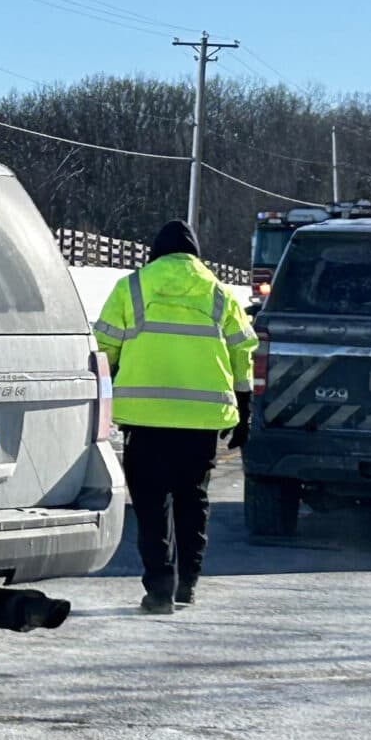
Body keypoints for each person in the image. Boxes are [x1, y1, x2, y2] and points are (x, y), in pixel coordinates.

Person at [92, 221, 256, 614]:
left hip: (144, 421)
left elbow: (102, 349)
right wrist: (244, 407)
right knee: (192, 500)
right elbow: (242, 351)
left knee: (151, 506)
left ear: (156, 252)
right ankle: (188, 585)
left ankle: (160, 587)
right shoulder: (219, 293)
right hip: (200, 422)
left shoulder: (131, 288)